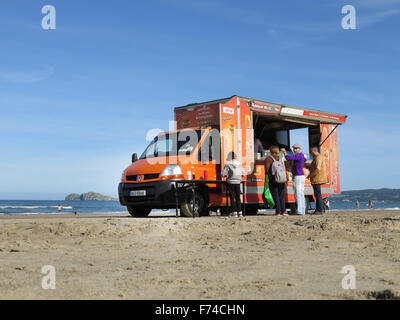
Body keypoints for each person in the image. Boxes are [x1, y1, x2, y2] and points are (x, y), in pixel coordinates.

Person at [281, 144, 307, 215]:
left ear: (299, 149)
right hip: (301, 176)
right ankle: (302, 210)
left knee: (298, 193)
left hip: (298, 176)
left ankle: (300, 211)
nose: (295, 150)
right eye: (294, 149)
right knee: (301, 193)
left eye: (296, 148)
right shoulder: (301, 156)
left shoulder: (298, 156)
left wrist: (284, 152)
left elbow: (288, 158)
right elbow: (305, 159)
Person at [265, 146, 288, 216]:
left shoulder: (268, 159)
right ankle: (283, 211)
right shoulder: (280, 158)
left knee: (276, 195)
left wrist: (270, 178)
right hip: (282, 179)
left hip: (273, 180)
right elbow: (284, 168)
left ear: (271, 151)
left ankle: (278, 211)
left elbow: (267, 170)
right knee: (281, 195)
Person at [221, 151, 245, 217]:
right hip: (238, 182)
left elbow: (222, 174)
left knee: (232, 197)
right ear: (235, 157)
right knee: (238, 197)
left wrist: (226, 175)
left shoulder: (228, 164)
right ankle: (240, 212)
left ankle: (234, 212)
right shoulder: (240, 164)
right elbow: (243, 174)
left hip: (230, 182)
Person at [309, 146, 329, 215]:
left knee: (318, 195)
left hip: (317, 179)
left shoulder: (318, 158)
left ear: (314, 151)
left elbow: (318, 169)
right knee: (317, 195)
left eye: (311, 152)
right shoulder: (317, 157)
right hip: (317, 179)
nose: (310, 153)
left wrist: (310, 175)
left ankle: (319, 210)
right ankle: (318, 209)